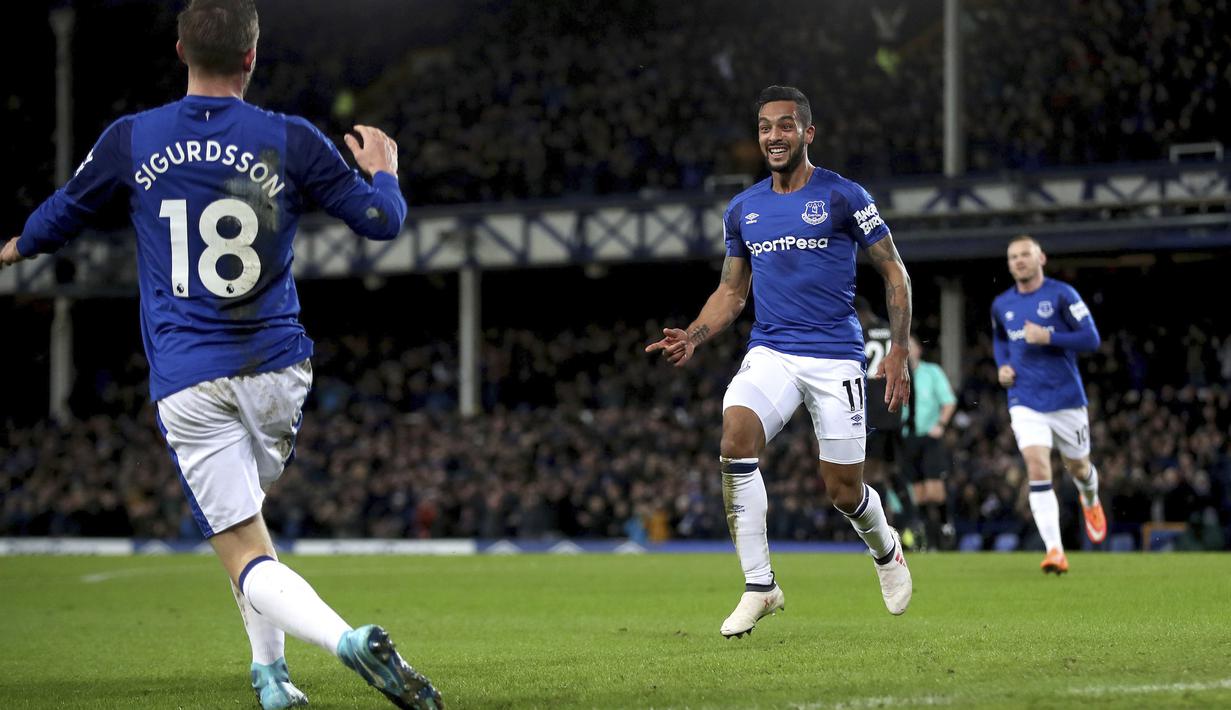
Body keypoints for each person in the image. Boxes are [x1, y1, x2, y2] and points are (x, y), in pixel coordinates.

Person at [0, 2, 441, 707]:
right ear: (251, 57)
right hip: (277, 371)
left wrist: (13, 248)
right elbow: (382, 223)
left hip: (188, 377)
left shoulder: (132, 138)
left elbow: (54, 221)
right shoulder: (290, 138)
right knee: (248, 527)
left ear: (181, 50)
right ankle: (271, 677)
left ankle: (346, 642)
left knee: (240, 546)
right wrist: (384, 170)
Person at [646, 85, 914, 638]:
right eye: (766, 127)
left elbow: (894, 272)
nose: (774, 136)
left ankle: (886, 549)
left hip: (836, 355)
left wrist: (899, 350)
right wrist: (695, 336)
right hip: (771, 349)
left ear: (807, 132)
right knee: (734, 437)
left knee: (843, 491)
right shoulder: (743, 209)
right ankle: (760, 585)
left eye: (785, 126)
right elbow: (731, 293)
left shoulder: (844, 196)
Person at [991, 235, 1106, 574]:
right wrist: (1003, 366)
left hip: (1066, 399)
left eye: (1025, 255)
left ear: (1041, 257)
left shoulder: (1062, 295)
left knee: (1079, 468)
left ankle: (1090, 498)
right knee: (1037, 467)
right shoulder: (1002, 304)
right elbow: (1000, 338)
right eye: (1013, 257)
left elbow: (1092, 338)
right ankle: (1055, 550)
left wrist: (1049, 337)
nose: (1019, 261)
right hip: (1025, 400)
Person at [855, 295, 919, 548]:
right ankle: (911, 523)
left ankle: (884, 534)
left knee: (870, 476)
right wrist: (910, 416)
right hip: (893, 414)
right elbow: (907, 370)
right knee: (893, 472)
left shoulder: (858, 334)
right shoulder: (892, 331)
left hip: (871, 414)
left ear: (860, 314)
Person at [899, 335, 957, 551]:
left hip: (929, 437)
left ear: (918, 351)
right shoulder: (897, 374)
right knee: (918, 492)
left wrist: (941, 424)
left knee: (934, 490)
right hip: (907, 437)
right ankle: (927, 535)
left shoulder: (932, 372)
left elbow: (949, 402)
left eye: (910, 346)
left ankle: (944, 525)